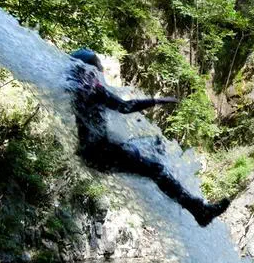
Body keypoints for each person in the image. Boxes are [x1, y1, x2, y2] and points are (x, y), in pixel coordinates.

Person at [67, 48, 230, 226]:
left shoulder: (76, 88)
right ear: (89, 69)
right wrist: (157, 101)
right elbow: (124, 107)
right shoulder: (93, 90)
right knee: (156, 170)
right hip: (101, 153)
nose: (101, 71)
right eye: (98, 67)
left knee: (155, 145)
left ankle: (176, 192)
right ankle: (198, 210)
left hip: (96, 152)